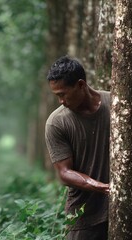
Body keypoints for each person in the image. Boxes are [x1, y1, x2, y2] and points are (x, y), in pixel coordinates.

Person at [44, 56, 110, 240]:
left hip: (125, 209)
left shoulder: (117, 104)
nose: (60, 101)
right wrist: (101, 186)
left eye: (63, 94)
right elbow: (64, 173)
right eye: (56, 95)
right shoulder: (56, 123)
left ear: (81, 85)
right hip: (84, 214)